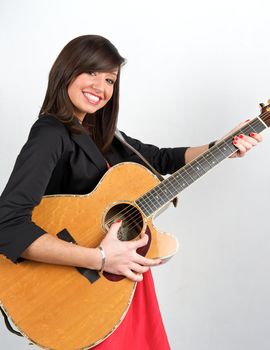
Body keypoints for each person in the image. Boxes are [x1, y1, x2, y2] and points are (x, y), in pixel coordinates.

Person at [0, 35, 262, 349]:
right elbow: (8, 225)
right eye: (91, 72)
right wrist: (99, 257)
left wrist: (221, 146)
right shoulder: (50, 134)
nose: (100, 86)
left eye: (110, 79)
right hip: (86, 286)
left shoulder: (103, 135)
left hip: (118, 282)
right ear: (66, 72)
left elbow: (163, 158)